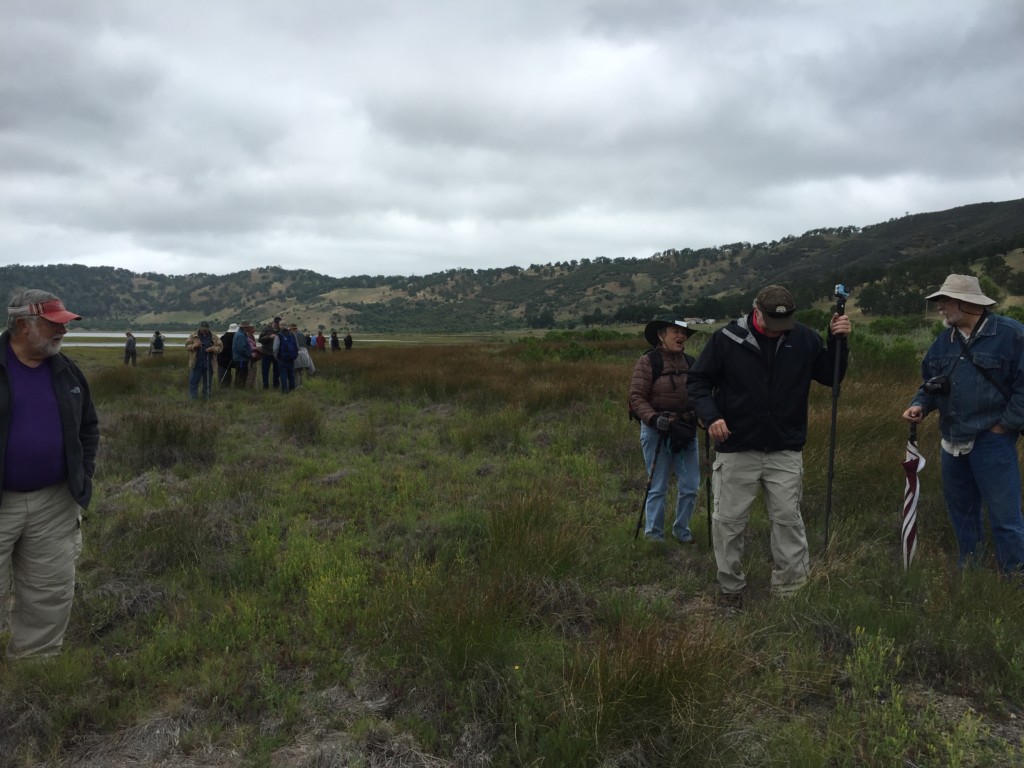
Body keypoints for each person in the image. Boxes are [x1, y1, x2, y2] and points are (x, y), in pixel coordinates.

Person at [687, 285, 851, 606]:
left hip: (785, 448)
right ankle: (730, 588)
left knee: (788, 519)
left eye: (785, 325)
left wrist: (837, 341)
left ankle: (791, 592)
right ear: (755, 311)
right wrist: (711, 416)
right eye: (772, 325)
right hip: (736, 446)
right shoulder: (727, 339)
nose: (778, 333)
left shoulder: (802, 338)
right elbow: (697, 382)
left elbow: (831, 376)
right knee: (729, 522)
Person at [902, 274, 1024, 576]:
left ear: (967, 303)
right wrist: (920, 404)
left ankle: (1016, 576)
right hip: (951, 441)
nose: (940, 307)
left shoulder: (1011, 335)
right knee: (962, 513)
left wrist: (1004, 426)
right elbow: (930, 382)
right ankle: (972, 571)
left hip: (992, 441)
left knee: (1005, 517)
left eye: (945, 301)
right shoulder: (944, 342)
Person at [0, 289, 99, 659]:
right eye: (54, 324)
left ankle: (35, 671)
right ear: (23, 325)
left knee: (50, 590)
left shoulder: (67, 371)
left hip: (54, 502)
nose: (64, 332)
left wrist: (81, 475)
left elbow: (88, 427)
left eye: (65, 325)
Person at [628, 316, 701, 544]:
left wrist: (705, 414)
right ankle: (654, 537)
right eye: (675, 332)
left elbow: (700, 393)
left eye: (684, 333)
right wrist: (653, 418)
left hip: (685, 428)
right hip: (656, 430)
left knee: (690, 486)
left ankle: (682, 531)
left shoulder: (691, 362)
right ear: (661, 334)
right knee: (658, 486)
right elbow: (636, 397)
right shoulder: (649, 361)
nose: (681, 336)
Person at [185, 321, 223, 401]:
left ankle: (206, 399)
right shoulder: (193, 336)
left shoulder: (214, 337)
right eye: (202, 329)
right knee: (193, 382)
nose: (203, 331)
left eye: (205, 330)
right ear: (200, 328)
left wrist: (213, 349)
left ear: (208, 328)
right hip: (196, 364)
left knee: (207, 384)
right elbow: (187, 346)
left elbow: (220, 347)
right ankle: (193, 400)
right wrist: (194, 346)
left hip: (209, 364)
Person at [273, 323, 299, 394]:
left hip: (282, 359)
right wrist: (295, 355)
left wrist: (276, 357)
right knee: (291, 375)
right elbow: (297, 346)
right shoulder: (292, 335)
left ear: (280, 328)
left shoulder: (278, 336)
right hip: (291, 358)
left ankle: (285, 391)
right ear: (287, 328)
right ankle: (292, 390)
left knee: (283, 375)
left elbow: (275, 348)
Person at [258, 317, 282, 390]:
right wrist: (269, 337)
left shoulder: (280, 330)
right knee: (265, 370)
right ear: (273, 322)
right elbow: (260, 340)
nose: (277, 324)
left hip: (276, 354)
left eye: (278, 323)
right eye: (276, 323)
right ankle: (265, 386)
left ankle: (276, 386)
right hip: (266, 353)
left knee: (277, 371)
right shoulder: (266, 329)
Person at [231, 321, 252, 389]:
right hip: (241, 359)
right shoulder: (241, 335)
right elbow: (241, 349)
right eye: (248, 327)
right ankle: (239, 388)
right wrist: (250, 354)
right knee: (241, 375)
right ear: (245, 328)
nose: (249, 328)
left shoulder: (240, 334)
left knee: (240, 374)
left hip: (240, 358)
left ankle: (238, 389)